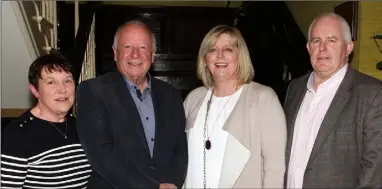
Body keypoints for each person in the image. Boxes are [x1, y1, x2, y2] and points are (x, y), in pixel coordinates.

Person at [76, 20, 188, 189]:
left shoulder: (171, 94)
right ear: (115, 53)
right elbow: (101, 154)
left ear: (152, 55)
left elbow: (180, 148)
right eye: (127, 47)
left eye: (143, 48)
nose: (135, 55)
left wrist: (172, 183)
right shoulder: (92, 91)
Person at [285, 12, 382, 189]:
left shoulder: (372, 94)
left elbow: (375, 171)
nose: (322, 48)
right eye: (316, 41)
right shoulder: (294, 89)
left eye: (331, 40)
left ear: (348, 48)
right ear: (308, 48)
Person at [182, 25, 287, 188]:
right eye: (212, 50)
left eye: (228, 49)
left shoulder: (263, 98)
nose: (220, 55)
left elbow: (275, 168)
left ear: (240, 56)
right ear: (205, 59)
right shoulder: (193, 99)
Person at [1, 53, 92, 188]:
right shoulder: (17, 134)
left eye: (68, 80)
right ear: (35, 91)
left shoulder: (82, 126)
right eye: (51, 82)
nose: (62, 89)